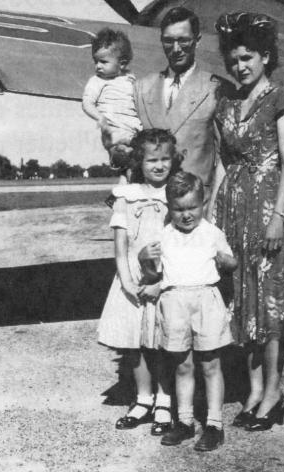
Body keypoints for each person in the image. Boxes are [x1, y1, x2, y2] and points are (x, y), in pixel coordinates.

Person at [212, 12, 284, 432]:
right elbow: (223, 162)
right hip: (235, 212)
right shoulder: (229, 104)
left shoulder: (282, 100)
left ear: (266, 56)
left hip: (272, 213)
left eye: (248, 57)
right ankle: (254, 390)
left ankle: (273, 394)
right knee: (243, 304)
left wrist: (276, 218)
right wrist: (212, 220)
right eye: (234, 59)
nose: (240, 66)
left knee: (271, 308)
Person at [97, 128, 183, 436]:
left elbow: (182, 245)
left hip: (165, 283)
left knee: (160, 344)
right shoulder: (126, 196)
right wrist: (127, 281)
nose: (158, 166)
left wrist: (162, 282)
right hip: (131, 280)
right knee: (133, 345)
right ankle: (143, 399)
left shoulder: (177, 195)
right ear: (139, 162)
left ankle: (164, 399)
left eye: (164, 159)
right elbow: (120, 248)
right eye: (151, 160)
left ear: (174, 160)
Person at [156, 172, 237, 452]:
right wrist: (144, 260)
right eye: (179, 209)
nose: (186, 214)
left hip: (206, 299)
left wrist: (226, 260)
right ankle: (185, 421)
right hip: (175, 300)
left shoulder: (212, 233)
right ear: (170, 208)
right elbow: (153, 272)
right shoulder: (164, 235)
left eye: (192, 207)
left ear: (203, 204)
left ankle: (214, 425)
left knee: (211, 364)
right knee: (183, 365)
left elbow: (230, 263)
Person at [134, 6, 226, 204]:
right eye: (169, 41)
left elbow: (225, 158)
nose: (176, 49)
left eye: (183, 40)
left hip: (196, 205)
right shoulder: (141, 87)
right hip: (151, 204)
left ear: (197, 40)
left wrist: (214, 206)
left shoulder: (216, 89)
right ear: (161, 41)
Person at [82, 27, 142, 179]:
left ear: (122, 64)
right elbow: (87, 103)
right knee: (126, 160)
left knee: (137, 170)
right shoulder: (96, 81)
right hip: (114, 133)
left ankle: (120, 196)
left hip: (134, 131)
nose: (98, 66)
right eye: (96, 61)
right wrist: (100, 117)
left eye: (103, 62)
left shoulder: (130, 78)